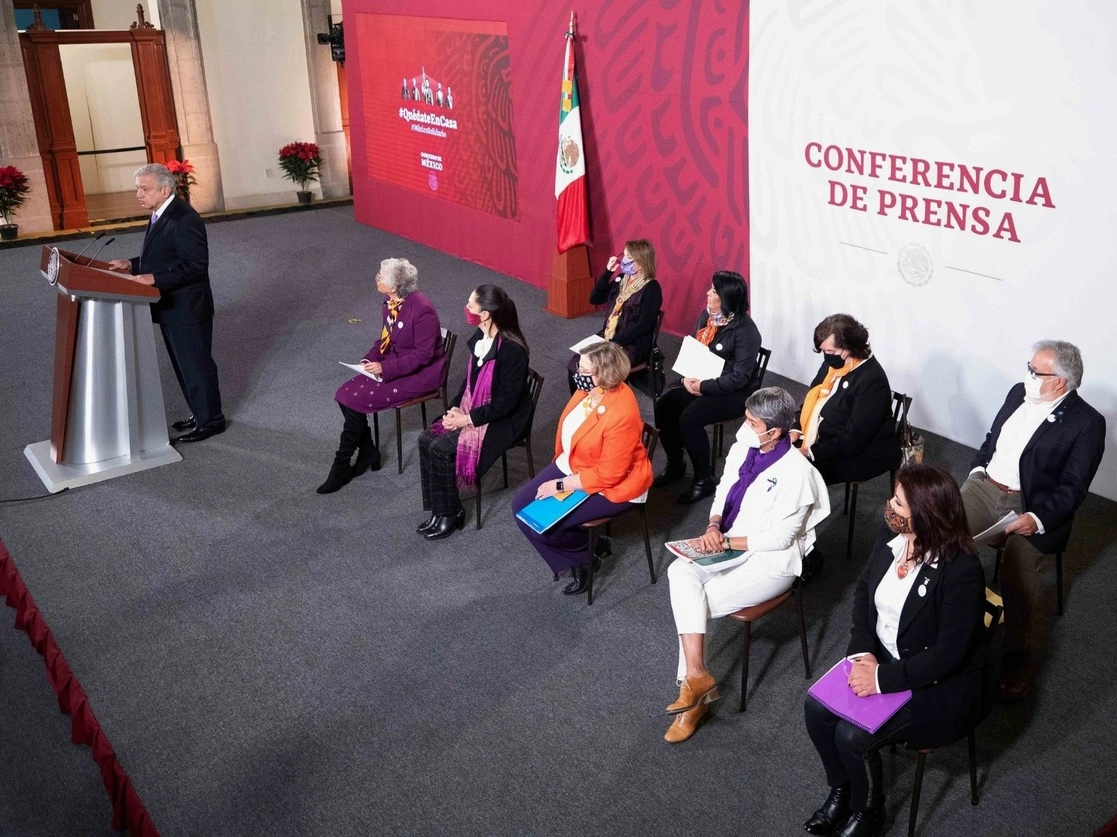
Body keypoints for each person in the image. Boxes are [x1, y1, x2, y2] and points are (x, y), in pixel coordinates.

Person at [803, 465, 985, 837]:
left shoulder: (961, 570)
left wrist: (881, 679)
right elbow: (863, 593)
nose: (889, 506)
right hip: (882, 657)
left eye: (898, 503)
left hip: (935, 682)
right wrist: (862, 653)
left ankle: (868, 812)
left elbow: (948, 655)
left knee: (851, 737)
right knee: (816, 709)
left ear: (926, 515)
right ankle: (842, 789)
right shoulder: (894, 534)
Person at [663, 387, 829, 744]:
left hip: (773, 562)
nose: (745, 425)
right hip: (729, 539)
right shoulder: (744, 446)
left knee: (694, 603)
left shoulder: (797, 473)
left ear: (776, 431)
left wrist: (726, 541)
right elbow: (725, 487)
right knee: (680, 572)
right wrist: (713, 524)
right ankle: (696, 676)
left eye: (753, 422)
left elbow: (783, 538)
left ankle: (694, 701)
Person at [960, 340, 1105, 702]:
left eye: (1035, 372)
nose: (1027, 377)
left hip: (1031, 505)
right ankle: (953, 625)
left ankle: (1015, 653)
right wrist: (978, 471)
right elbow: (992, 439)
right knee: (944, 539)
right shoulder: (1017, 394)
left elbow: (1073, 488)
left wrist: (1036, 518)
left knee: (1018, 573)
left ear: (1060, 382)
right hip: (985, 487)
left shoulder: (1088, 423)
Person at [513, 341, 653, 595]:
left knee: (546, 527)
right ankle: (594, 545)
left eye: (584, 370)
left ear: (603, 375)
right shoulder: (589, 390)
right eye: (579, 366)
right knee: (520, 509)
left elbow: (609, 474)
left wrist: (560, 484)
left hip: (614, 483)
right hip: (576, 464)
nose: (577, 374)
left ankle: (583, 560)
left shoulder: (621, 413)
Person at [107, 163, 224, 443]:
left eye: (144, 189)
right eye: (137, 188)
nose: (138, 194)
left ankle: (211, 422)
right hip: (170, 305)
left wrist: (154, 278)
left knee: (196, 365)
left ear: (164, 188)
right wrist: (132, 265)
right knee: (184, 366)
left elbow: (196, 265)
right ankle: (200, 413)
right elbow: (165, 256)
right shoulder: (161, 213)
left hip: (188, 308)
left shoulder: (184, 219)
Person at [317, 258, 446, 493]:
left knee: (353, 400)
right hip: (393, 363)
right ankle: (367, 451)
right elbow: (384, 340)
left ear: (395, 285)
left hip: (420, 374)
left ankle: (342, 464)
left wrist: (385, 368)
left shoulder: (423, 310)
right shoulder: (390, 302)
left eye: (381, 275)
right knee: (343, 394)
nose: (376, 277)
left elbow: (424, 356)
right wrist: (369, 358)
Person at [416, 285, 532, 540]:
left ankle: (450, 512)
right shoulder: (481, 338)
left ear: (486, 314)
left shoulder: (513, 351)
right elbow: (467, 384)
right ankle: (438, 508)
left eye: (471, 305)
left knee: (441, 448)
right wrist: (455, 408)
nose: (466, 309)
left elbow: (506, 405)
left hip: (504, 421)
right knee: (425, 439)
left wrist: (467, 419)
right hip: (476, 408)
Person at [652, 271, 762, 505]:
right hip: (702, 379)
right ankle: (676, 463)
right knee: (664, 406)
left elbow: (739, 379)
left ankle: (704, 479)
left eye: (713, 291)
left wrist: (704, 386)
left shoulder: (747, 332)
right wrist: (686, 379)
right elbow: (694, 349)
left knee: (690, 418)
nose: (707, 293)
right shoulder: (708, 316)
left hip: (734, 392)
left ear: (725, 298)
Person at [797, 314, 900, 484]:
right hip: (826, 437)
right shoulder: (834, 364)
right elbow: (812, 399)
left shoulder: (872, 381)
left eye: (831, 351)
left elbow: (853, 439)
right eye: (824, 351)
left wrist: (810, 451)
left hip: (860, 452)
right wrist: (796, 429)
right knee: (773, 454)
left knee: (797, 476)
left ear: (850, 347)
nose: (827, 356)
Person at [566, 239, 662, 394]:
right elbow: (595, 299)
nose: (623, 260)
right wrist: (608, 272)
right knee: (574, 365)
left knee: (599, 370)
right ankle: (582, 404)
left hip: (632, 344)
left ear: (640, 262)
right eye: (623, 255)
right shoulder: (621, 280)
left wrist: (616, 342)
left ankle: (603, 409)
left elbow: (644, 326)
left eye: (628, 257)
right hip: (608, 336)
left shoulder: (651, 288)